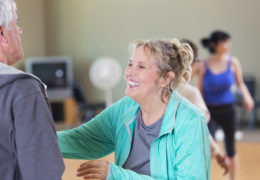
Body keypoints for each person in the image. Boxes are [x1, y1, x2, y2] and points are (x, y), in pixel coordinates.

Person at [58, 38, 211, 179]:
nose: (129, 73)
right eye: (130, 64)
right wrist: (36, 135)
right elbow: (82, 140)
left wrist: (116, 175)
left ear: (165, 78)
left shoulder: (190, 120)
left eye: (141, 67)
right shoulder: (125, 108)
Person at [0, 0, 64, 179]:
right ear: (3, 33)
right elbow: (44, 173)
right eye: (16, 23)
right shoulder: (23, 89)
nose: (20, 30)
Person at [197, 30, 254, 180]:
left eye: (229, 42)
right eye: (225, 42)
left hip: (228, 110)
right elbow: (199, 91)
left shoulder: (233, 62)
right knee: (208, 148)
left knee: (231, 147)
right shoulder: (204, 64)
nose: (228, 45)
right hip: (210, 111)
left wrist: (247, 97)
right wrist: (199, 111)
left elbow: (240, 84)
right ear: (214, 45)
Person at [179, 39, 229, 175]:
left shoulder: (158, 89)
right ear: (192, 64)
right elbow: (200, 131)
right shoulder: (190, 93)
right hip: (185, 164)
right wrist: (219, 154)